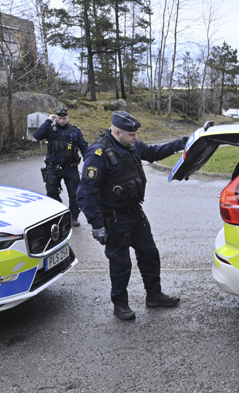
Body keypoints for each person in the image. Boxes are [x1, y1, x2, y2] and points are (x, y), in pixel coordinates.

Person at [76, 111, 189, 320]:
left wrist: (183, 142)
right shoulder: (98, 154)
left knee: (150, 254)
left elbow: (155, 152)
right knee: (121, 264)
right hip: (113, 218)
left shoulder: (131, 146)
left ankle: (154, 296)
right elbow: (84, 194)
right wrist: (97, 224)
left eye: (136, 134)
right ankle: (120, 305)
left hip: (134, 212)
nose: (135, 138)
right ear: (117, 132)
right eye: (131, 134)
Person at [33, 106, 89, 227]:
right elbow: (36, 136)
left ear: (67, 117)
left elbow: (84, 147)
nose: (62, 121)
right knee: (51, 192)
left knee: (75, 194)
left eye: (64, 118)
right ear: (56, 117)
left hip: (70, 168)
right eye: (59, 118)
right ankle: (59, 214)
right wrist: (48, 121)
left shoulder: (75, 131)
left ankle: (74, 216)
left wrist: (89, 162)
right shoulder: (49, 129)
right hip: (53, 167)